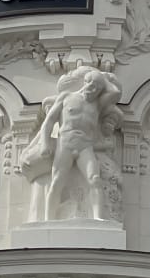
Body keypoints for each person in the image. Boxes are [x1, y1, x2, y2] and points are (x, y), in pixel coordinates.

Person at [24, 67, 122, 221]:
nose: (94, 90)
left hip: (85, 146)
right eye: (92, 85)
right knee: (57, 180)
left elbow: (115, 93)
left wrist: (102, 79)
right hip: (65, 144)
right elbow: (48, 122)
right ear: (86, 82)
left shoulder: (97, 104)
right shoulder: (66, 97)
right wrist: (44, 143)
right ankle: (48, 219)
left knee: (95, 179)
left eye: (98, 89)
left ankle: (98, 218)